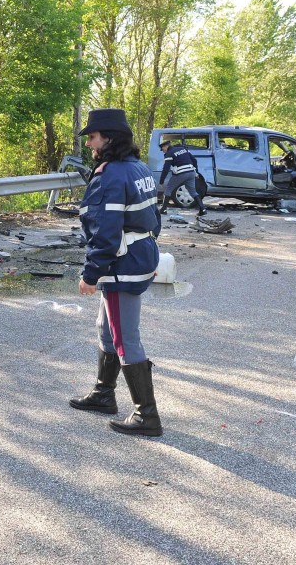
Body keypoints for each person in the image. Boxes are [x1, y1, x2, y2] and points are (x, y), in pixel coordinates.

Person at [68, 108, 164, 437]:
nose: (89, 144)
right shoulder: (139, 168)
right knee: (107, 328)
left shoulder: (110, 175)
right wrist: (147, 253)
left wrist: (90, 274)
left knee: (125, 337)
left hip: (121, 264)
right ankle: (103, 394)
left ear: (109, 138)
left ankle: (147, 416)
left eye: (93, 137)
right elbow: (154, 217)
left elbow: (105, 232)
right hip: (137, 256)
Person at [158, 138, 206, 216]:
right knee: (193, 191)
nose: (163, 151)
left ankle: (163, 209)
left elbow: (166, 169)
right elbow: (194, 160)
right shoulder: (183, 149)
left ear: (165, 146)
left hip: (181, 173)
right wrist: (196, 172)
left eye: (162, 149)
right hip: (191, 173)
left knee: (168, 189)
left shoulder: (169, 154)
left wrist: (161, 181)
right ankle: (202, 209)